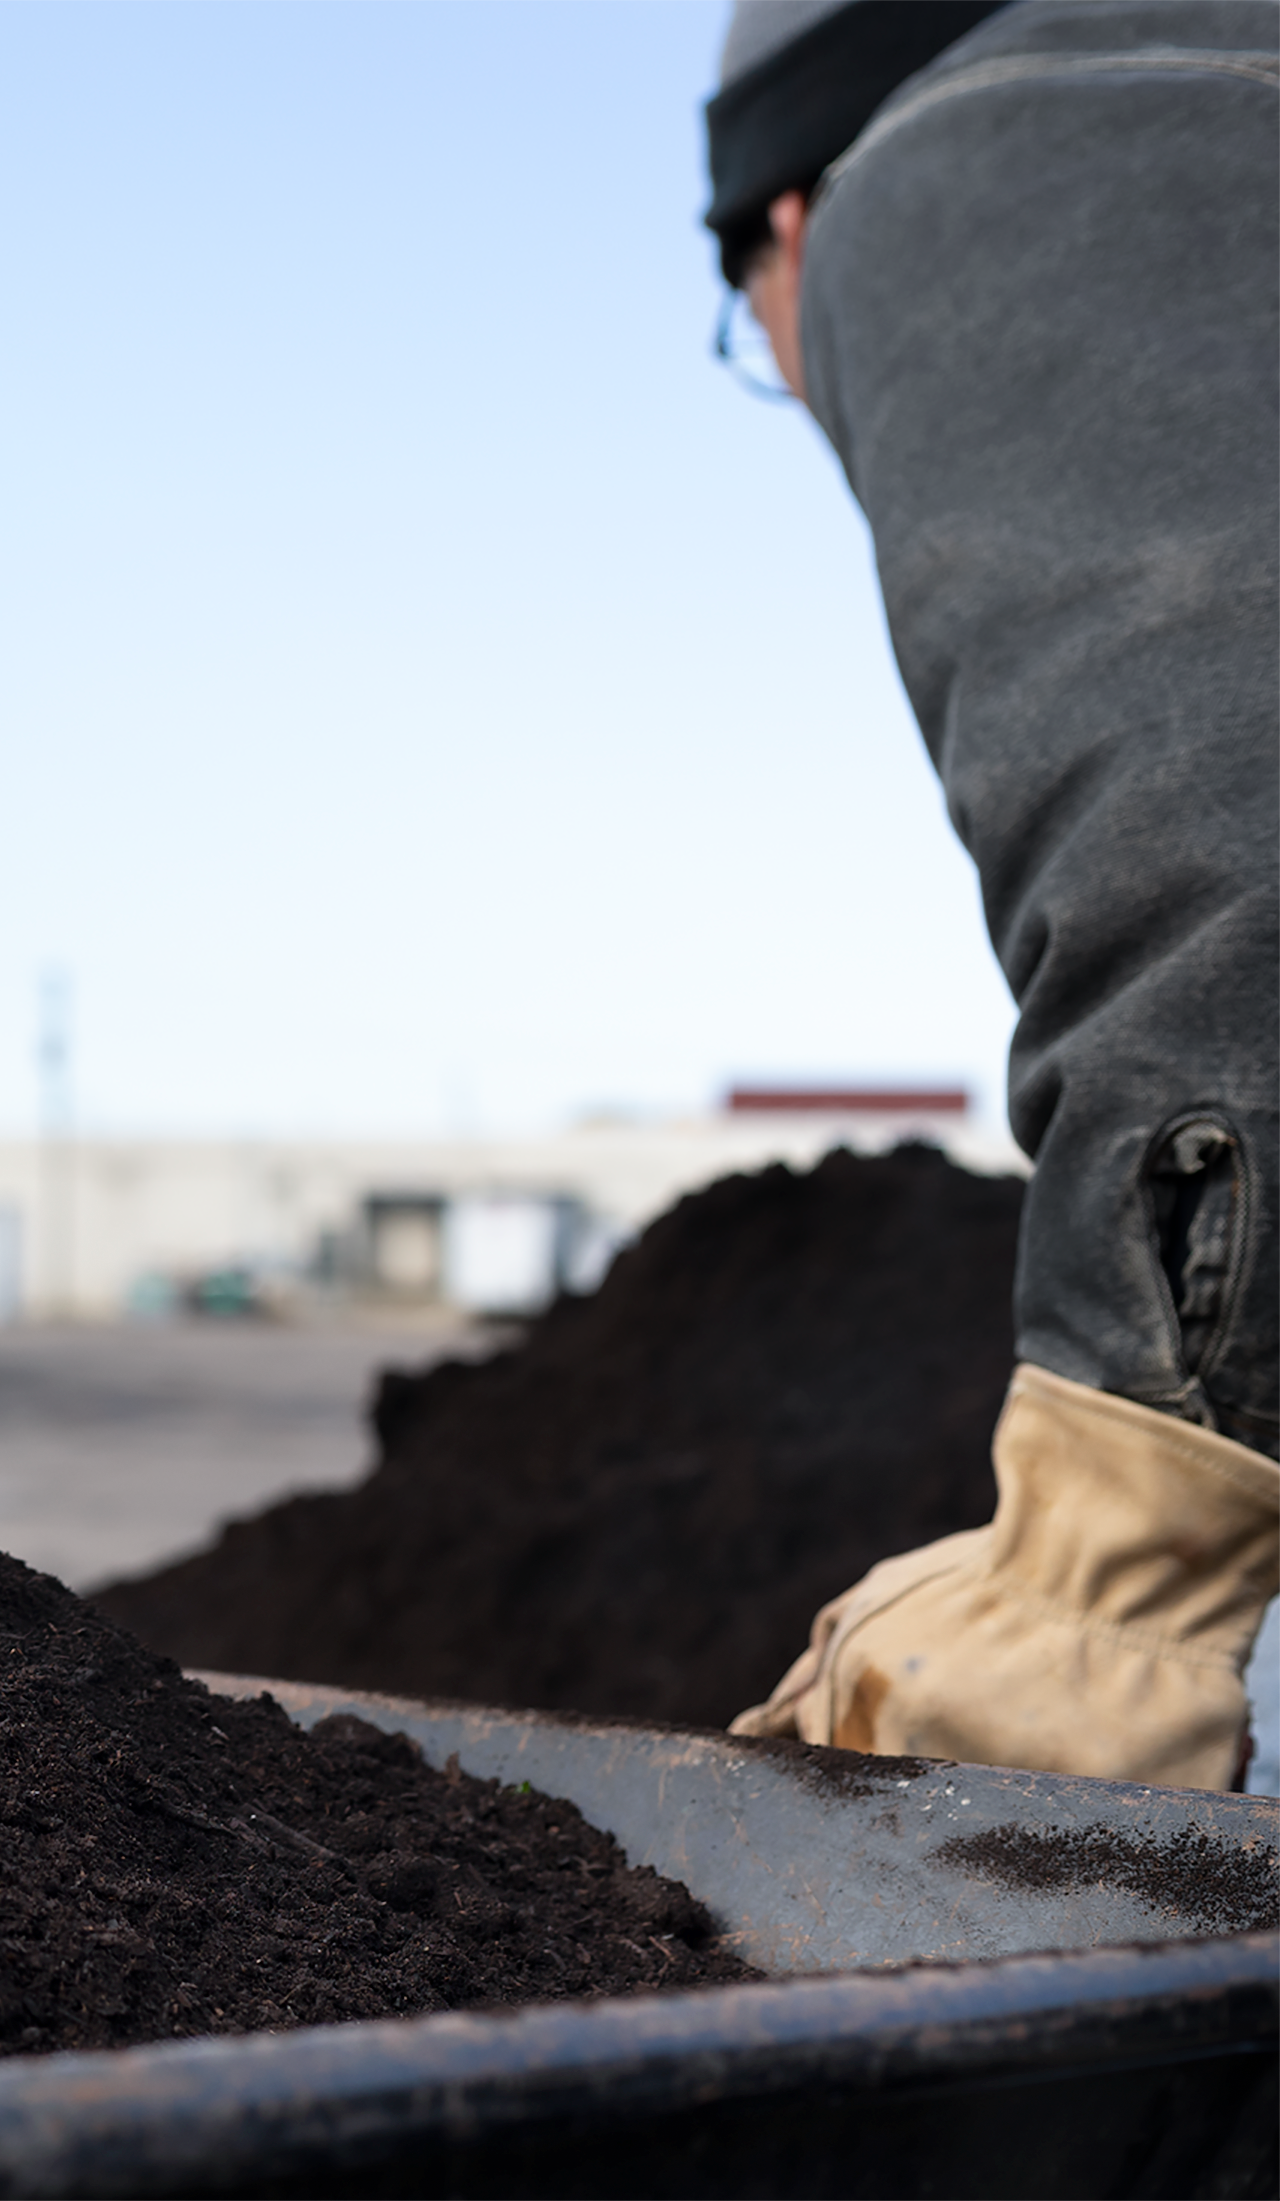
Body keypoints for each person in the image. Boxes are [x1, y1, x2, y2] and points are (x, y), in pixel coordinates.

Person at [703, 0, 1280, 1786]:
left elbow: (1236, 822)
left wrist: (1104, 1595)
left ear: (785, 225)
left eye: (753, 334)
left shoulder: (991, 140)